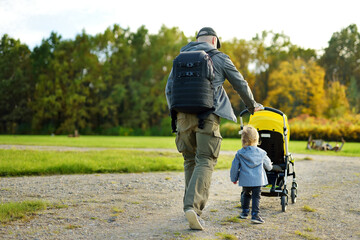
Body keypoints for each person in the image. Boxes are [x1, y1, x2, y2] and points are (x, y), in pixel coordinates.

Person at [165, 27, 263, 230]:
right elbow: (240, 83)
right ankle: (192, 207)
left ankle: (188, 207)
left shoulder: (180, 58)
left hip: (182, 117)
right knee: (206, 159)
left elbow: (169, 89)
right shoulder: (219, 57)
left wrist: (177, 112)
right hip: (207, 116)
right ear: (214, 41)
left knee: (190, 159)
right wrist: (252, 105)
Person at [230, 125, 273, 224]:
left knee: (246, 194)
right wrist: (270, 167)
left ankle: (244, 212)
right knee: (256, 197)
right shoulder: (262, 153)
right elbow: (268, 165)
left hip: (245, 180)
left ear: (243, 140)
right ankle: (255, 215)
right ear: (256, 139)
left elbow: (234, 168)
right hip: (258, 180)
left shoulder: (239, 153)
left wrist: (234, 178)